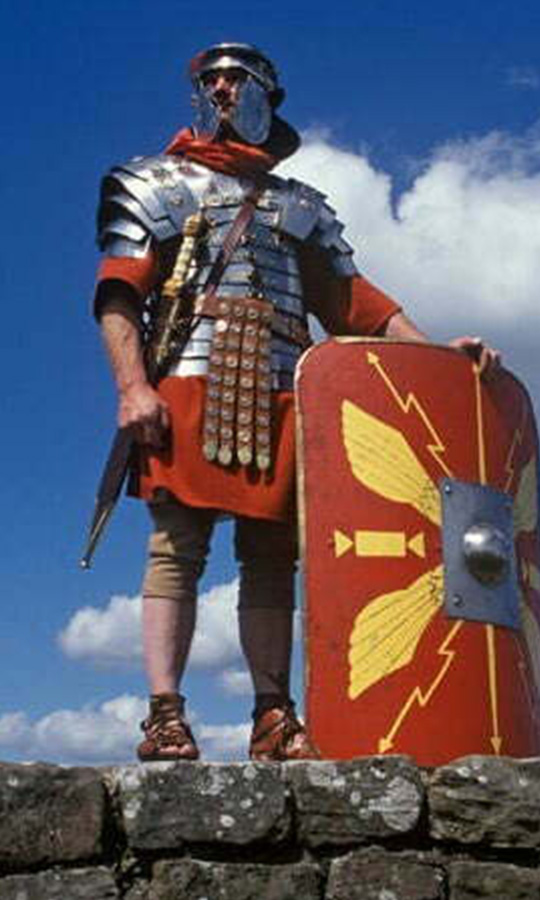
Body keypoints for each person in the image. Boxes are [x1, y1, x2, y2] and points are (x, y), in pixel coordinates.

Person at [94, 42, 500, 763]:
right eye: (211, 80)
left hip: (287, 391)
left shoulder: (301, 207)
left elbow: (358, 308)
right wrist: (133, 388)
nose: (223, 91)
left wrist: (440, 357)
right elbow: (121, 293)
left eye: (237, 79)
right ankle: (165, 715)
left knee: (273, 555)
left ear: (266, 95)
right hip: (191, 378)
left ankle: (272, 715)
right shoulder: (151, 182)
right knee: (176, 549)